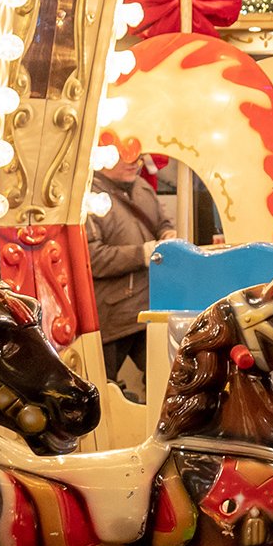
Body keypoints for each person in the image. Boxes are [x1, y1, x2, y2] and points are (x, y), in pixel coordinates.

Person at [85, 149, 172, 397]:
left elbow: (163, 221)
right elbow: (93, 258)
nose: (135, 162)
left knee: (166, 380)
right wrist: (141, 254)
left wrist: (168, 234)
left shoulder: (142, 187)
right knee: (102, 387)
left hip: (150, 307)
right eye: (125, 155)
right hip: (112, 314)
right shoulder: (88, 198)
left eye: (138, 155)